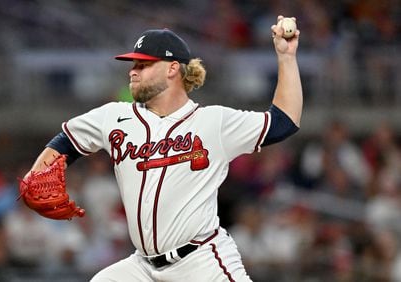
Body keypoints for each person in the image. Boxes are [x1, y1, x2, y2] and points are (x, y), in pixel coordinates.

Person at [23, 15, 302, 282]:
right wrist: (36, 174)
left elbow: (283, 122)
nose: (133, 70)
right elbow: (66, 140)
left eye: (144, 65)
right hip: (142, 266)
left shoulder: (213, 122)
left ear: (172, 69)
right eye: (133, 64)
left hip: (201, 261)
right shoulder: (114, 117)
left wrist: (286, 58)